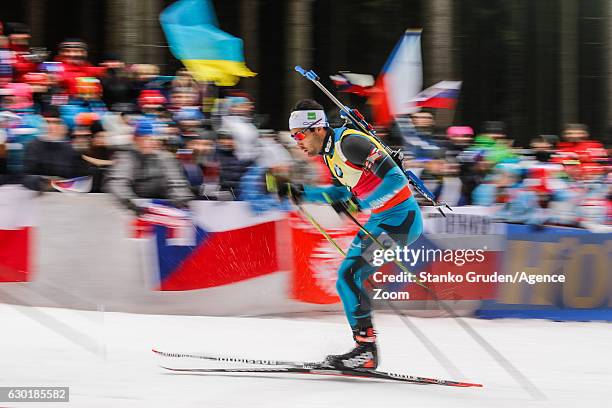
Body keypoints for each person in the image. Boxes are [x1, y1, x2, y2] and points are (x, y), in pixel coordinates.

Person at [277, 99, 423, 370]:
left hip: (401, 222)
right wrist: (300, 192)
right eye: (293, 136)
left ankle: (365, 352)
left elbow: (396, 179)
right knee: (348, 277)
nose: (297, 142)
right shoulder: (330, 154)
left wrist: (360, 205)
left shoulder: (350, 143)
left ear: (317, 129)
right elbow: (342, 193)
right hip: (381, 222)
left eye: (299, 135)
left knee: (349, 275)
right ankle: (363, 349)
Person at [106, 118, 193, 214]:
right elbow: (118, 182)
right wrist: (133, 204)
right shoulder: (126, 156)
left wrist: (182, 202)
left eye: (153, 139)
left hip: (162, 207)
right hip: (133, 207)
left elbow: (176, 182)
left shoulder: (165, 158)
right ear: (135, 139)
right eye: (145, 138)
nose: (150, 142)